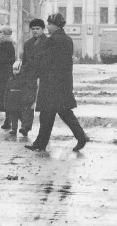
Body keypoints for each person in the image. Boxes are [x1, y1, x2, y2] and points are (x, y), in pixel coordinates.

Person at [26, 12, 88, 152]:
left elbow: (45, 60)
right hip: (62, 83)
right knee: (54, 114)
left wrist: (35, 72)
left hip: (51, 83)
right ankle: (41, 143)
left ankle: (80, 137)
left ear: (55, 25)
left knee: (54, 114)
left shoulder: (53, 40)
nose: (47, 26)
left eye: (49, 24)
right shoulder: (67, 39)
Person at [17, 18, 47, 137]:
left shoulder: (48, 42)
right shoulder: (28, 44)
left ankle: (43, 130)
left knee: (43, 105)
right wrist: (22, 75)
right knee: (27, 102)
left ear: (42, 29)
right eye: (33, 29)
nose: (35, 31)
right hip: (30, 77)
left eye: (37, 29)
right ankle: (25, 126)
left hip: (43, 77)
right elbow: (24, 62)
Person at [3, 59, 37, 138]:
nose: (14, 71)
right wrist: (6, 101)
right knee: (13, 116)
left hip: (20, 101)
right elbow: (7, 91)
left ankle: (24, 128)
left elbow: (26, 89)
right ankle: (14, 129)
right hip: (12, 101)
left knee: (23, 116)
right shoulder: (10, 80)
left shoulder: (23, 79)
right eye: (13, 70)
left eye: (16, 69)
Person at [0, 25, 16, 130]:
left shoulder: (4, 44)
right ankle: (6, 120)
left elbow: (4, 60)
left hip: (2, 74)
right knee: (2, 96)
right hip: (3, 73)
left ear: (5, 34)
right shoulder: (6, 44)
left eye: (0, 32)